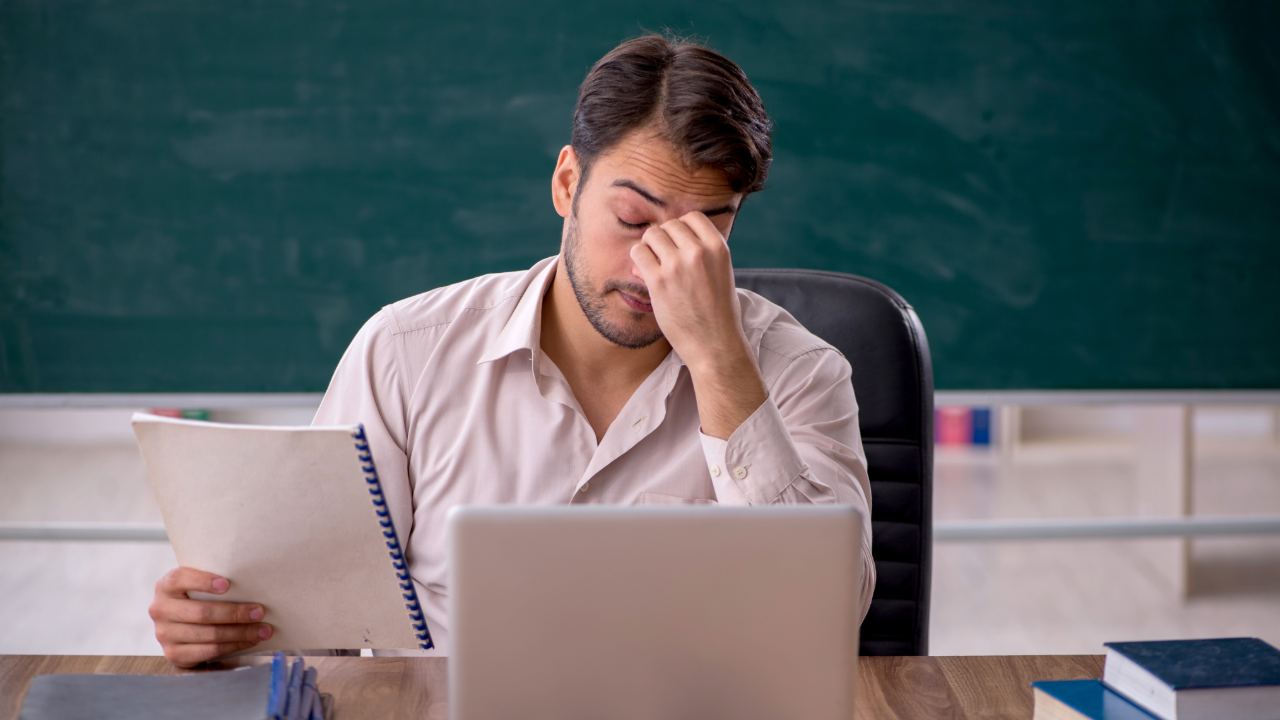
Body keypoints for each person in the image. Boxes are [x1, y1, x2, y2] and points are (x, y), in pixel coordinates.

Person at [149, 34, 876, 668]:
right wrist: (225, 629)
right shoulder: (404, 355)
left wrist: (720, 362)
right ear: (567, 184)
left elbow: (827, 620)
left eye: (702, 234)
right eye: (631, 219)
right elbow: (318, 640)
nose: (654, 267)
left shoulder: (799, 372)